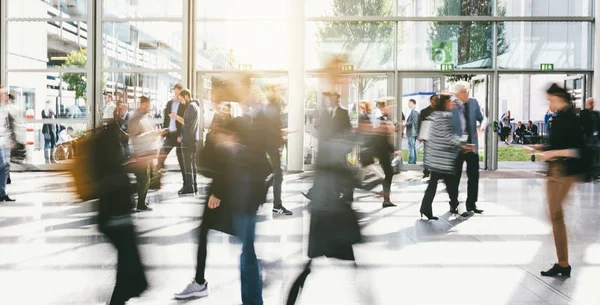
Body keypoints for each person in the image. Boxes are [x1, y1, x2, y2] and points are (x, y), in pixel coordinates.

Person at [529, 83, 584, 277]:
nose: (549, 104)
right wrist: (540, 149)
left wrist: (553, 153)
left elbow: (578, 150)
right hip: (555, 171)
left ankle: (563, 263)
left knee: (556, 216)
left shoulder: (572, 117)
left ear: (559, 98)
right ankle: (563, 262)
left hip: (563, 172)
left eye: (550, 100)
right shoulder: (560, 117)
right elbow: (557, 143)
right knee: (554, 216)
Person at [95, 121, 148, 305]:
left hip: (114, 218)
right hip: (117, 219)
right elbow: (116, 183)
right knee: (129, 267)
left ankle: (120, 299)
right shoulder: (110, 159)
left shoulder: (105, 156)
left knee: (126, 266)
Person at [420, 94, 472, 220]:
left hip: (434, 157)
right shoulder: (444, 117)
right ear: (445, 103)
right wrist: (463, 144)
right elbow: (448, 137)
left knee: (435, 184)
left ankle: (426, 208)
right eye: (450, 102)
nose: (452, 104)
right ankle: (456, 207)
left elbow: (425, 135)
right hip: (442, 158)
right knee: (450, 184)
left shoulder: (433, 115)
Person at [451, 81, 486, 214]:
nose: (468, 94)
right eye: (465, 92)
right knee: (455, 177)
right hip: (457, 147)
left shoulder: (473, 103)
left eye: (468, 91)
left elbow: (483, 118)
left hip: (471, 145)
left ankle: (471, 204)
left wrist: (482, 126)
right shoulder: (451, 106)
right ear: (458, 93)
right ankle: (453, 203)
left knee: (474, 176)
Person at [128, 96, 162, 212]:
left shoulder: (143, 117)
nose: (149, 108)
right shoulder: (136, 118)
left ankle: (139, 202)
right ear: (141, 104)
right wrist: (153, 134)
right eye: (147, 105)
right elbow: (135, 137)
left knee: (144, 178)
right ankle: (140, 204)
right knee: (144, 178)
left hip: (144, 152)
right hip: (139, 153)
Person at [265, 87, 293, 216]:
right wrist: (284, 132)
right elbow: (274, 131)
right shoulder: (273, 112)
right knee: (278, 175)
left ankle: (276, 204)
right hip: (272, 148)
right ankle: (277, 205)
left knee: (273, 175)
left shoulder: (268, 110)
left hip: (269, 147)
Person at [169, 89, 200, 194]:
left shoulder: (191, 106)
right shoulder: (194, 106)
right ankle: (193, 185)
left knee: (187, 164)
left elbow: (186, 122)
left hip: (188, 140)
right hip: (191, 139)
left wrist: (176, 117)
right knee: (192, 164)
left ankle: (189, 187)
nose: (181, 101)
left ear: (186, 96)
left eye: (181, 99)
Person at [157, 83, 187, 192]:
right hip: (170, 135)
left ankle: (186, 184)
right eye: (174, 92)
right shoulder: (169, 103)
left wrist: (182, 135)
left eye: (178, 93)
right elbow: (166, 118)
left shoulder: (184, 104)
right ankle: (157, 181)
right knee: (161, 156)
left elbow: (186, 122)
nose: (176, 95)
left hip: (179, 136)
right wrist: (164, 130)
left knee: (182, 161)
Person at [0, 85, 15, 202]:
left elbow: (7, 124)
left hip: (4, 140)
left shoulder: (5, 107)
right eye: (4, 93)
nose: (6, 95)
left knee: (5, 167)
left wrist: (10, 139)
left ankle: (2, 193)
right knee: (1, 165)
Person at [418, 95, 437, 179]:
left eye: (437, 100)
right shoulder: (424, 111)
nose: (436, 101)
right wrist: (420, 136)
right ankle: (426, 171)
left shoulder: (441, 111)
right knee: (427, 154)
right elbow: (420, 124)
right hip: (428, 136)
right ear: (430, 100)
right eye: (434, 99)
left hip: (438, 136)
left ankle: (435, 172)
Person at [406, 99, 419, 164]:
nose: (408, 104)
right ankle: (413, 160)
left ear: (412, 103)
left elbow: (414, 121)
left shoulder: (414, 111)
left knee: (411, 147)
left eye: (409, 103)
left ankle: (411, 161)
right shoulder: (413, 111)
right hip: (413, 131)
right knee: (412, 147)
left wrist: (405, 123)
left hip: (412, 131)